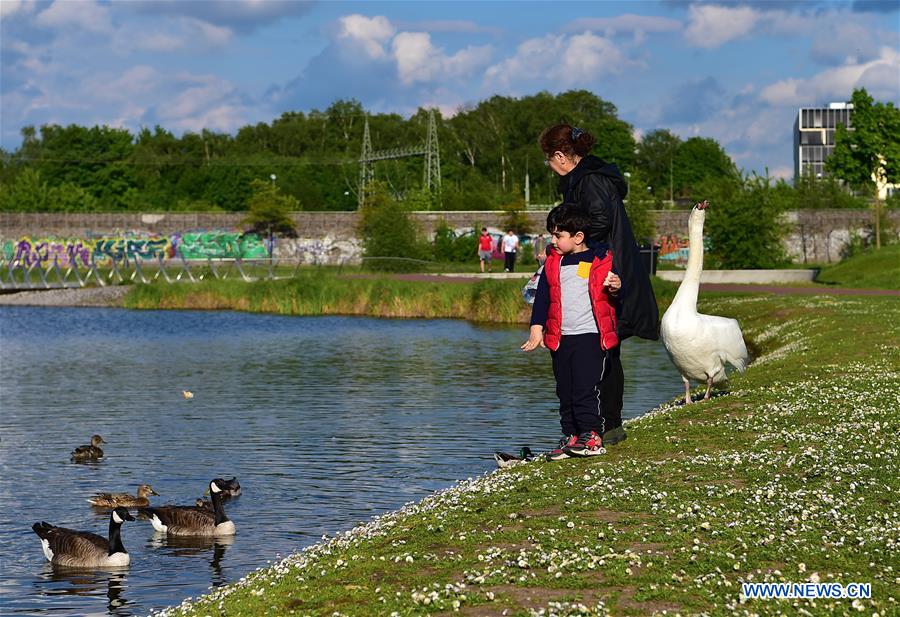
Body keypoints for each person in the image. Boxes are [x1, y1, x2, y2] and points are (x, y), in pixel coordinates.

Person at [539, 123, 659, 447]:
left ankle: (605, 426)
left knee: (604, 349)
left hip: (607, 275)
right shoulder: (585, 178)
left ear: (560, 156)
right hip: (600, 270)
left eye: (549, 159)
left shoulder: (589, 181)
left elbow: (599, 222)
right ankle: (599, 426)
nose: (550, 166)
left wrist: (571, 249)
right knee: (604, 348)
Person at [522, 204, 621, 459]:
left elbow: (616, 293)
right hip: (560, 338)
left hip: (591, 337)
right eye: (552, 235)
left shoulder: (602, 260)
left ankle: (592, 436)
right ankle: (571, 436)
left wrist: (616, 286)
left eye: (558, 236)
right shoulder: (553, 263)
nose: (553, 241)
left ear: (578, 237)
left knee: (585, 389)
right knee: (565, 390)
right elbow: (542, 298)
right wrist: (536, 329)